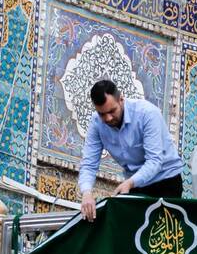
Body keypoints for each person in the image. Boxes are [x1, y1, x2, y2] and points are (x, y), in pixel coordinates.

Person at [78, 79, 183, 221]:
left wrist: (129, 183)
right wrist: (86, 193)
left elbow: (155, 161)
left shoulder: (147, 113)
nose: (108, 118)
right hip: (134, 183)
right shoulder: (96, 123)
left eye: (112, 111)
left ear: (121, 100)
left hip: (166, 180)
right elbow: (89, 164)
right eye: (102, 114)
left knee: (163, 229)